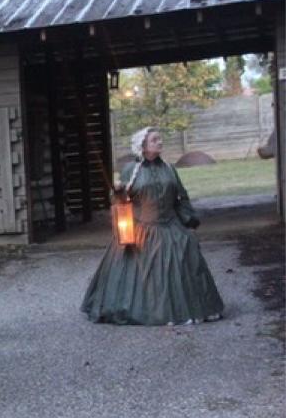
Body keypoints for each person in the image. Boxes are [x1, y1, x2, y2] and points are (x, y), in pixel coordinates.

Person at [81, 127, 224, 325]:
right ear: (143, 146)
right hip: (143, 229)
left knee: (185, 257)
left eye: (160, 139)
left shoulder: (169, 168)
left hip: (172, 226)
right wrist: (119, 192)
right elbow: (120, 200)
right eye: (155, 140)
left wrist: (188, 219)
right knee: (144, 271)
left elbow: (181, 196)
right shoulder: (131, 170)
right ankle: (149, 311)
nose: (160, 142)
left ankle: (189, 309)